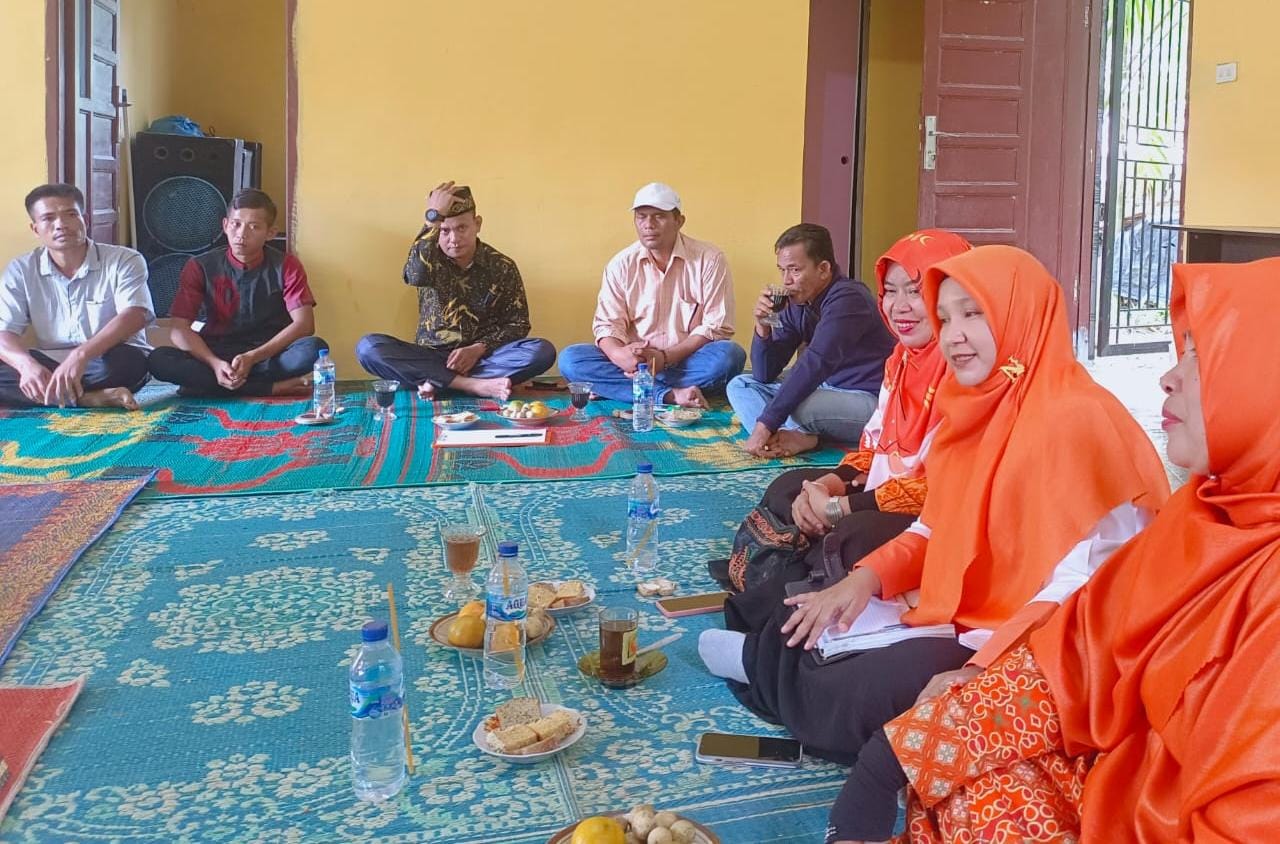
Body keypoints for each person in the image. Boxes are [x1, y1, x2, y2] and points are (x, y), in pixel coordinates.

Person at [699, 245, 1170, 844]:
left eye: (975, 314)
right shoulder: (976, 407)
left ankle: (765, 669)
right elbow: (934, 526)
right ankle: (771, 662)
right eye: (946, 318)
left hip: (1039, 644)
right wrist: (863, 582)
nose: (955, 335)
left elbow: (1082, 591)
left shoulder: (1078, 421)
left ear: (1021, 315)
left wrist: (978, 668)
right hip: (968, 607)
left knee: (873, 684)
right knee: (830, 613)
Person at [881, 257, 1280, 843]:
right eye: (947, 318)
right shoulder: (1203, 511)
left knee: (883, 692)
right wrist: (939, 727)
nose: (1169, 378)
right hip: (1124, 765)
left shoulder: (1075, 418)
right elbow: (1084, 646)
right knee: (954, 756)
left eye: (1201, 357)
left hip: (1176, 812)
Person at [703, 229, 971, 596]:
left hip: (927, 501)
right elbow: (765, 373)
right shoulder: (902, 360)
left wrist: (839, 505)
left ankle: (781, 588)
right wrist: (828, 484)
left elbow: (815, 364)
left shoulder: (968, 370)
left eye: (915, 291)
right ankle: (765, 573)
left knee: (850, 535)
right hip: (870, 459)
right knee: (784, 482)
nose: (900, 306)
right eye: (891, 291)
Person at [355, 182, 555, 400]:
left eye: (462, 228)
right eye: (444, 230)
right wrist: (433, 217)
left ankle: (436, 381)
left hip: (482, 359)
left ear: (477, 224)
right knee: (368, 348)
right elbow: (414, 276)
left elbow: (518, 323)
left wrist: (478, 349)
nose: (454, 239)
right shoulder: (429, 257)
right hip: (430, 357)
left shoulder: (502, 266)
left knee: (542, 351)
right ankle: (471, 385)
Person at [557, 182, 746, 408]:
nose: (648, 225)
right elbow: (607, 324)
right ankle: (670, 395)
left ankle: (622, 388)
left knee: (729, 356)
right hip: (635, 365)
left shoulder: (709, 259)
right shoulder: (621, 264)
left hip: (686, 362)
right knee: (571, 359)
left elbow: (717, 326)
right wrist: (619, 355)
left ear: (679, 221)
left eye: (659, 216)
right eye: (641, 217)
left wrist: (664, 358)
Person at [728, 223, 897, 457]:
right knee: (740, 385)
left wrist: (764, 424)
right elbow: (764, 374)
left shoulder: (848, 299)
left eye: (795, 270)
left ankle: (801, 436)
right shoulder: (798, 301)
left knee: (798, 403)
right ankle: (793, 436)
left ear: (824, 269)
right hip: (826, 389)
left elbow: (816, 362)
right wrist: (763, 327)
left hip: (867, 398)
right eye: (782, 270)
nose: (786, 280)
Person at [148, 189, 326, 397]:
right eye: (236, 224)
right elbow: (179, 329)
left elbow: (304, 324)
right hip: (216, 351)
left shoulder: (286, 265)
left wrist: (253, 357)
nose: (242, 234)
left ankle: (207, 386)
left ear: (270, 233)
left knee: (313, 349)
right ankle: (268, 388)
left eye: (254, 227)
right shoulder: (200, 266)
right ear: (225, 225)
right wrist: (214, 364)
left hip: (267, 353)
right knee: (159, 360)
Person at [0, 183, 153, 410]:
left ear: (85, 220)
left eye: (70, 215)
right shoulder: (21, 269)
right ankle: (89, 398)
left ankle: (55, 396)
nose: (61, 225)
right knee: (18, 366)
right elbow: (4, 332)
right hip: (51, 360)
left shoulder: (124, 260)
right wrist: (26, 366)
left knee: (128, 364)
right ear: (35, 229)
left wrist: (82, 355)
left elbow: (136, 315)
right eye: (48, 218)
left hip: (106, 359)